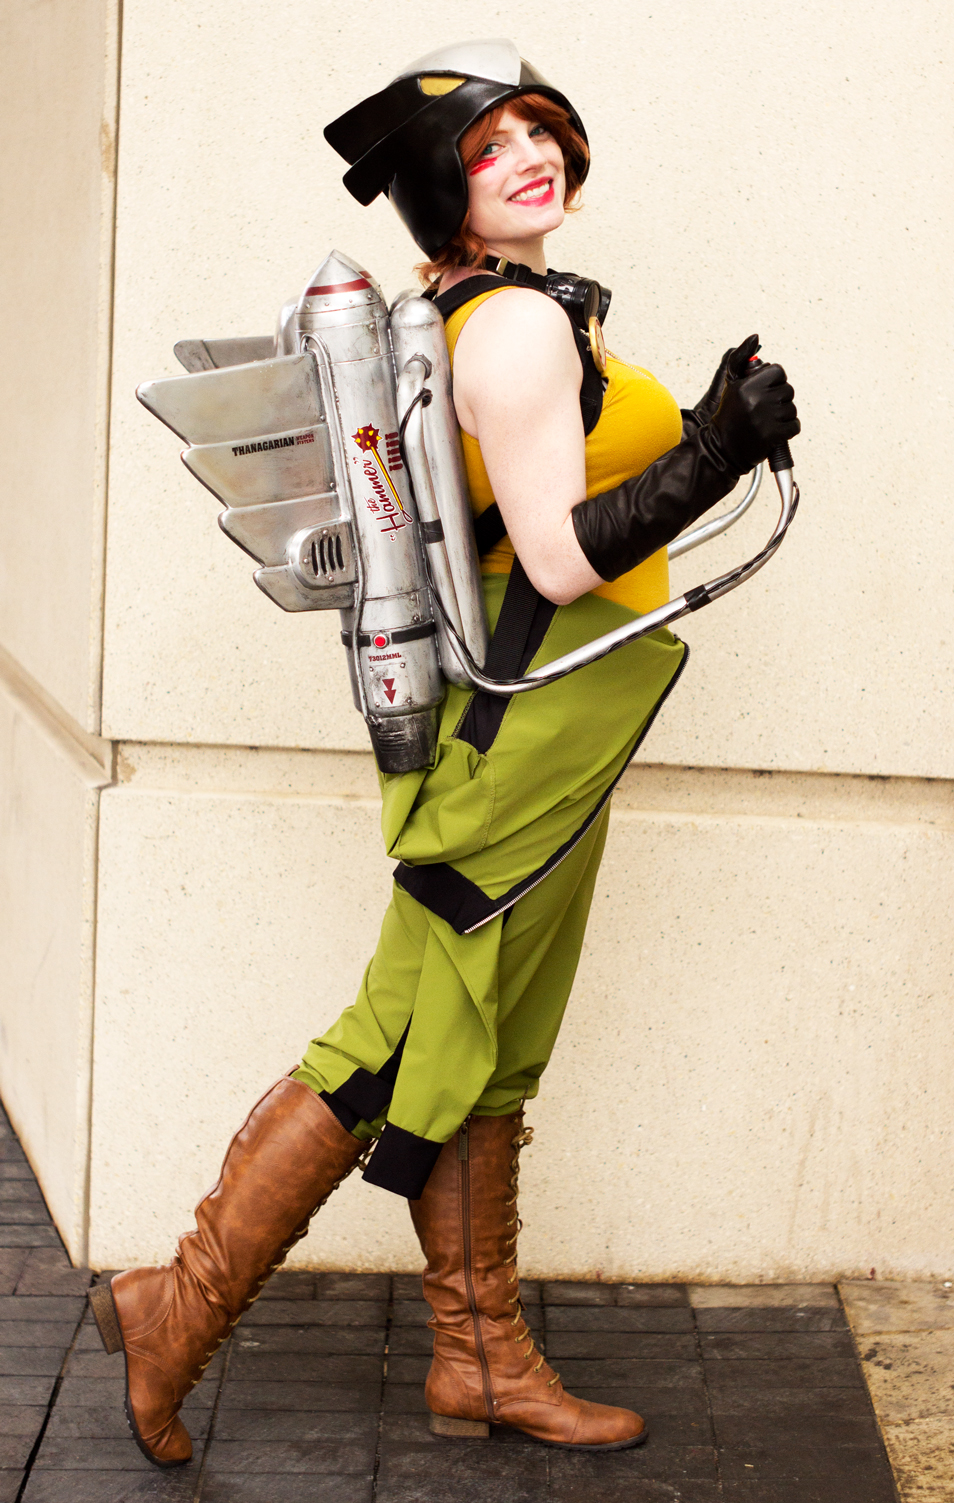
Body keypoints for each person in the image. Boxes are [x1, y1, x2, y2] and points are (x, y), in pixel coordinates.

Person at [88, 38, 799, 1467]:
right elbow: (557, 555)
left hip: (562, 731)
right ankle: (183, 1305)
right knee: (401, 1034)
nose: (527, 159)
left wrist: (695, 440)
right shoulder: (516, 327)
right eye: (487, 148)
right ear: (440, 188)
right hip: (518, 738)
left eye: (539, 132)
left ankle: (478, 1357)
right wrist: (713, 452)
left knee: (494, 1036)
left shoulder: (509, 310)